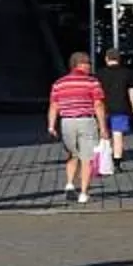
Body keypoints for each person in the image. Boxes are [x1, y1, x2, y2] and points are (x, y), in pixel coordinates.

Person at [47, 52, 107, 202]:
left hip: (66, 122)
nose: (89, 67)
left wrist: (51, 126)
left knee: (72, 154)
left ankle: (69, 185)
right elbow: (98, 104)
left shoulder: (59, 83)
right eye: (88, 64)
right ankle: (83, 193)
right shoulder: (92, 82)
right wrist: (103, 127)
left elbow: (54, 105)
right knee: (87, 158)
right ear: (80, 65)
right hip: (86, 121)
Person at [97, 49, 133, 166]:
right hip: (121, 107)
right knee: (118, 134)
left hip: (103, 108)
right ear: (119, 59)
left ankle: (105, 159)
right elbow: (132, 92)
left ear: (106, 59)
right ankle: (117, 161)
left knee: (104, 132)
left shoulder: (99, 74)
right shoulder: (127, 73)